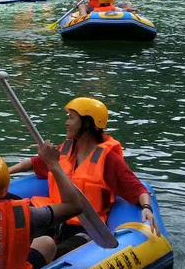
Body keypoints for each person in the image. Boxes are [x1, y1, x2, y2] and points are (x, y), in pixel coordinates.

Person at [10, 97, 158, 241]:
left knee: (63, 249)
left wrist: (146, 207)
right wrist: (6, 172)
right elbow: (34, 163)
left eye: (72, 118)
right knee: (10, 209)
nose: (67, 123)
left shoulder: (108, 160)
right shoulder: (66, 149)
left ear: (87, 123)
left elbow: (137, 188)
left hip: (84, 227)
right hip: (54, 216)